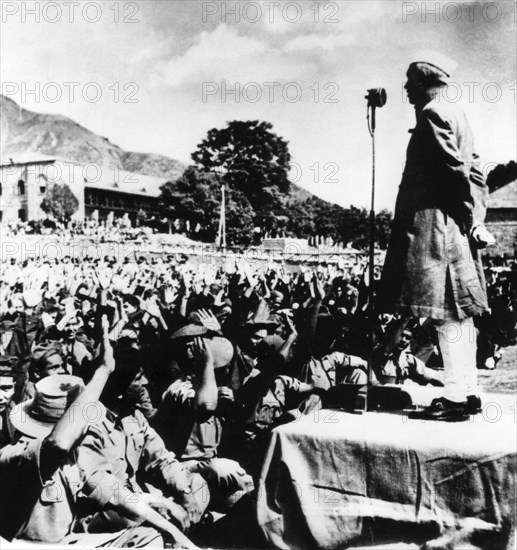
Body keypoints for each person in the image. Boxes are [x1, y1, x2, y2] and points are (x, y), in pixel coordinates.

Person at [379, 51, 491, 421]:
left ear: (428, 80)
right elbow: (475, 172)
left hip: (436, 228)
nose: (406, 88)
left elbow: (455, 173)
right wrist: (475, 218)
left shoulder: (433, 114)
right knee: (459, 316)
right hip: (454, 228)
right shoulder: (457, 113)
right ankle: (468, 391)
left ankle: (456, 398)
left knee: (445, 314)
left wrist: (465, 213)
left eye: (411, 81)